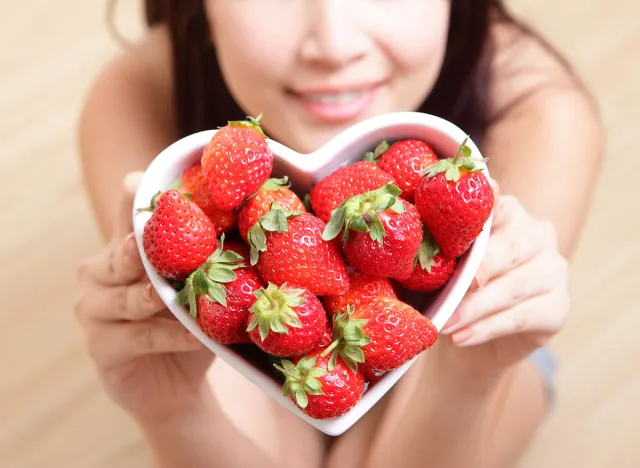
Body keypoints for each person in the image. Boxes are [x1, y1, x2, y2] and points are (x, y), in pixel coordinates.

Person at [74, 1, 603, 467]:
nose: (334, 44)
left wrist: (465, 379)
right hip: (261, 324)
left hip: (478, 357)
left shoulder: (543, 116)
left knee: (494, 347)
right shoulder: (133, 99)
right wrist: (174, 410)